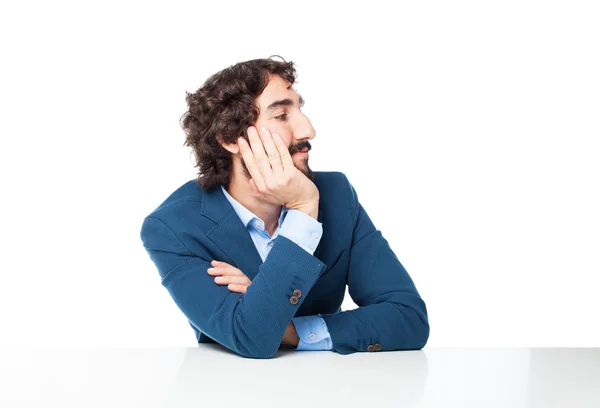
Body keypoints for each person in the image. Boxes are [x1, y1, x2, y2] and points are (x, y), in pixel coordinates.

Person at [140, 56, 429, 358]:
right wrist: (303, 209)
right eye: (281, 116)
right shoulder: (173, 226)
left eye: (300, 109)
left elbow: (409, 318)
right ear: (229, 138)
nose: (307, 130)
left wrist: (286, 327)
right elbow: (251, 337)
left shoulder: (336, 195)